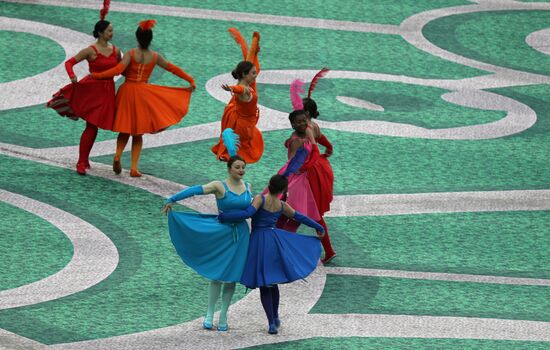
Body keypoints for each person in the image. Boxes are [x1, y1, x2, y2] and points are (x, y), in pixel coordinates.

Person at [218, 174, 324, 334]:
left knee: (264, 283)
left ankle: (271, 323)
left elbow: (247, 214)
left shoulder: (260, 199)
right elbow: (299, 216)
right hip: (274, 241)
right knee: (272, 282)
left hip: (259, 242)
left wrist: (225, 216)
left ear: (269, 184)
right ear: (283, 189)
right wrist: (318, 226)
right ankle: (275, 318)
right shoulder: (282, 205)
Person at [161, 151, 251, 332]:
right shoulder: (219, 185)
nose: (241, 170)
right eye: (237, 167)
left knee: (232, 277)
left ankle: (224, 315)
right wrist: (172, 199)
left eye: (243, 167)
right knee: (217, 275)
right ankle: (209, 314)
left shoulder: (248, 186)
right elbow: (196, 190)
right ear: (229, 168)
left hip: (241, 236)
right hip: (222, 234)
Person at [92, 19, 195, 177]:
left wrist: (98, 75)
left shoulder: (131, 53)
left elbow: (118, 70)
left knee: (125, 128)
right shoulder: (155, 56)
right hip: (143, 93)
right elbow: (173, 68)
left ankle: (118, 155)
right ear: (150, 39)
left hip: (127, 92)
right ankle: (134, 168)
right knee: (138, 133)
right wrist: (190, 80)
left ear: (137, 38)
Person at [47, 0, 120, 175]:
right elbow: (69, 63)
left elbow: (121, 68)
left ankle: (85, 160)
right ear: (101, 33)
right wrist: (72, 76)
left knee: (96, 126)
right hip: (92, 90)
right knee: (92, 125)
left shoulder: (116, 50)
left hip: (108, 91)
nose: (112, 32)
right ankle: (82, 161)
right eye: (110, 30)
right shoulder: (91, 50)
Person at [274, 81, 336, 263]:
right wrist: (329, 147)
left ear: (305, 113)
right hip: (318, 170)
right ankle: (328, 249)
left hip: (306, 175)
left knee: (296, 211)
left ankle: (279, 246)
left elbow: (297, 160)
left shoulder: (303, 133)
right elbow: (322, 139)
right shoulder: (313, 126)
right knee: (310, 212)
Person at [211, 28, 264, 163]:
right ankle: (229, 156)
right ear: (244, 75)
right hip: (244, 123)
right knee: (240, 151)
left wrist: (254, 50)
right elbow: (240, 89)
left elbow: (250, 60)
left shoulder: (249, 83)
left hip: (244, 116)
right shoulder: (245, 89)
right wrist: (231, 88)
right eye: (252, 73)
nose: (255, 74)